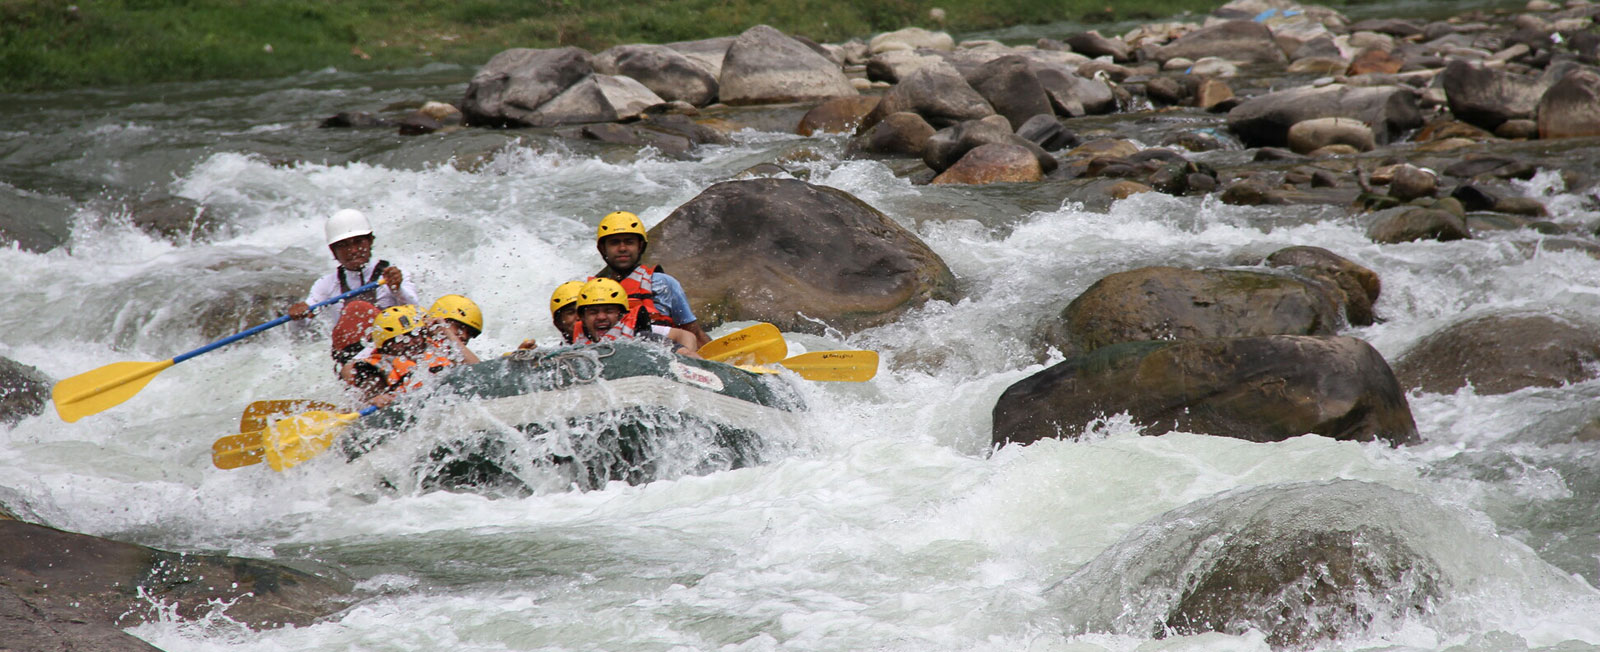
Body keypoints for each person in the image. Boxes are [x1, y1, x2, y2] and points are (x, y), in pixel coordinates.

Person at [592, 211, 711, 346]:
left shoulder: (664, 283)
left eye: (629, 242)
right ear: (603, 248)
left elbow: (694, 333)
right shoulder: (593, 293)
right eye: (614, 243)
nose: (622, 248)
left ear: (640, 246)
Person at [288, 208, 421, 321]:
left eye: (358, 242)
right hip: (353, 349)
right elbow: (298, 338)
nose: (353, 250)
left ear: (370, 241)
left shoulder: (394, 275)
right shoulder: (325, 285)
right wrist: (298, 316)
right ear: (333, 251)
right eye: (343, 245)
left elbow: (415, 312)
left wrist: (397, 289)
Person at [345, 305, 457, 407]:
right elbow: (359, 405)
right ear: (386, 346)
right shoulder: (374, 371)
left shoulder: (435, 349)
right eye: (401, 339)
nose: (411, 342)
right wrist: (373, 401)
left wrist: (446, 330)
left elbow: (472, 368)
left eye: (415, 335)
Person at [571, 278, 701, 357]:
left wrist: (686, 361)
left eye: (609, 311)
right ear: (582, 317)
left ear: (620, 315)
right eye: (593, 312)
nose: (601, 317)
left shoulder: (641, 337)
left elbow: (685, 351)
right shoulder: (574, 346)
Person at [518, 280, 584, 350]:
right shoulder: (554, 356)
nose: (578, 317)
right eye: (571, 312)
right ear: (558, 323)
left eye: (582, 310)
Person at [425, 294, 483, 364]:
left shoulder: (453, 358)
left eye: (469, 333)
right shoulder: (417, 347)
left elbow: (477, 370)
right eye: (459, 327)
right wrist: (445, 329)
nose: (464, 336)